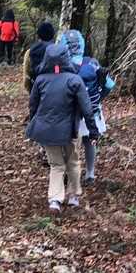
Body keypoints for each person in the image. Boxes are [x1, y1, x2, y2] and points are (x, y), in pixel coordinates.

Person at [26, 39, 98, 211]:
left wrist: (33, 123)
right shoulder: (75, 80)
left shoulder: (40, 80)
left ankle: (55, 200)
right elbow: (87, 109)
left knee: (56, 165)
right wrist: (93, 131)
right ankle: (73, 196)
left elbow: (33, 105)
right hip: (70, 130)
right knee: (73, 162)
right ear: (66, 58)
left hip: (46, 130)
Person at [62, 29, 116, 185]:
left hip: (71, 112)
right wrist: (99, 98)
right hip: (92, 111)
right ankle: (90, 173)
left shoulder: (63, 65)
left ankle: (70, 172)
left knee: (70, 143)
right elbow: (110, 84)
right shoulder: (92, 62)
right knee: (90, 141)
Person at [21, 20, 56, 92]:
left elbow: (26, 75)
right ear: (52, 35)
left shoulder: (30, 51)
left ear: (38, 35)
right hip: (54, 88)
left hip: (36, 87)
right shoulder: (58, 51)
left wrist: (31, 91)